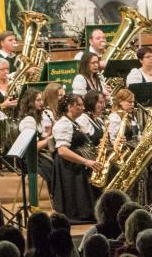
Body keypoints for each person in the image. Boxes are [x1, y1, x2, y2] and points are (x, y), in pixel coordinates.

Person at [50, 93, 101, 223]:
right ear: (69, 106)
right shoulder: (63, 124)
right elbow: (62, 151)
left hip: (77, 165)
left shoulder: (74, 122)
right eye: (79, 105)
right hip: (69, 167)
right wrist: (86, 161)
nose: (83, 108)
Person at [16, 89, 54, 184]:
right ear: (30, 103)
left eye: (42, 100)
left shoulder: (35, 118)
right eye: (38, 100)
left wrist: (50, 132)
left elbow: (39, 139)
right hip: (29, 159)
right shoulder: (28, 120)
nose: (41, 103)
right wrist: (51, 138)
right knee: (54, 167)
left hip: (37, 156)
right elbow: (33, 147)